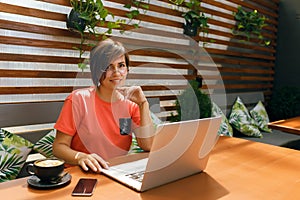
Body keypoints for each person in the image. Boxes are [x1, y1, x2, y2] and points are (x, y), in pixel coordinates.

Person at [53, 38, 155, 173]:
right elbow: (59, 147)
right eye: (108, 67)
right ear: (97, 71)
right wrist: (80, 157)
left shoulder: (131, 105)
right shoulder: (78, 100)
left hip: (117, 174)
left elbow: (148, 145)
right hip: (82, 174)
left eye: (121, 65)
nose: (117, 72)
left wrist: (143, 104)